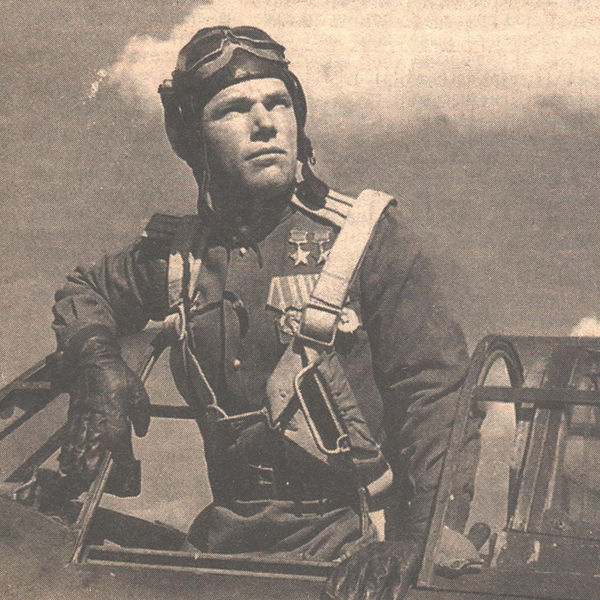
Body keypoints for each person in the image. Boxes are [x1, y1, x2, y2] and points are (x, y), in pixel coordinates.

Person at [51, 26, 479, 599]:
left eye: (278, 102)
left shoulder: (366, 238)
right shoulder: (181, 254)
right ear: (193, 138)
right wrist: (97, 365)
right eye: (233, 109)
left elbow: (436, 393)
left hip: (356, 549)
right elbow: (87, 291)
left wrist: (419, 542)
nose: (265, 123)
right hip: (226, 550)